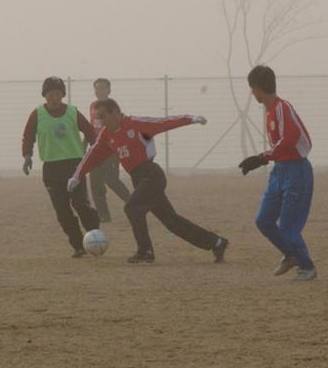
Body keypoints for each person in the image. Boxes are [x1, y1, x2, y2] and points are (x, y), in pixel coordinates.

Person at [68, 99, 229, 264]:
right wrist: (77, 176)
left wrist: (191, 118)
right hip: (138, 179)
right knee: (171, 221)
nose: (101, 121)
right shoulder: (106, 134)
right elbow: (93, 154)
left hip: (151, 175)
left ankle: (145, 251)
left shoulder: (136, 124)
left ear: (115, 111)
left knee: (132, 208)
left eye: (104, 116)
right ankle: (216, 242)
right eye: (98, 118)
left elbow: (164, 123)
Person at [238, 65, 317, 281]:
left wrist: (261, 158)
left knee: (289, 227)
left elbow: (289, 139)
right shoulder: (270, 110)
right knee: (264, 220)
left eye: (251, 89)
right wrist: (265, 159)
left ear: (257, 88)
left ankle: (307, 267)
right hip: (279, 170)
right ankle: (291, 254)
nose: (252, 93)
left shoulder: (282, 108)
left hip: (296, 171)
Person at [21, 76, 101, 257]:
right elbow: (28, 137)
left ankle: (94, 235)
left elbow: (90, 132)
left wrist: (96, 152)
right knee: (62, 210)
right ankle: (78, 245)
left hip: (75, 166)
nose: (54, 98)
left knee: (81, 205)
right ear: (45, 96)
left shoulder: (72, 112)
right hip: (51, 168)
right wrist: (27, 156)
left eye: (57, 94)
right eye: (50, 94)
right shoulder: (37, 114)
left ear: (62, 94)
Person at [87, 78, 132, 222]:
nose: (99, 91)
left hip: (111, 149)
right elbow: (92, 127)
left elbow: (120, 125)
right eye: (97, 88)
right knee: (95, 183)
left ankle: (133, 203)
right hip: (96, 149)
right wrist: (85, 145)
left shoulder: (113, 106)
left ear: (109, 90)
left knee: (111, 180)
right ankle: (104, 215)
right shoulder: (93, 106)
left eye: (103, 88)